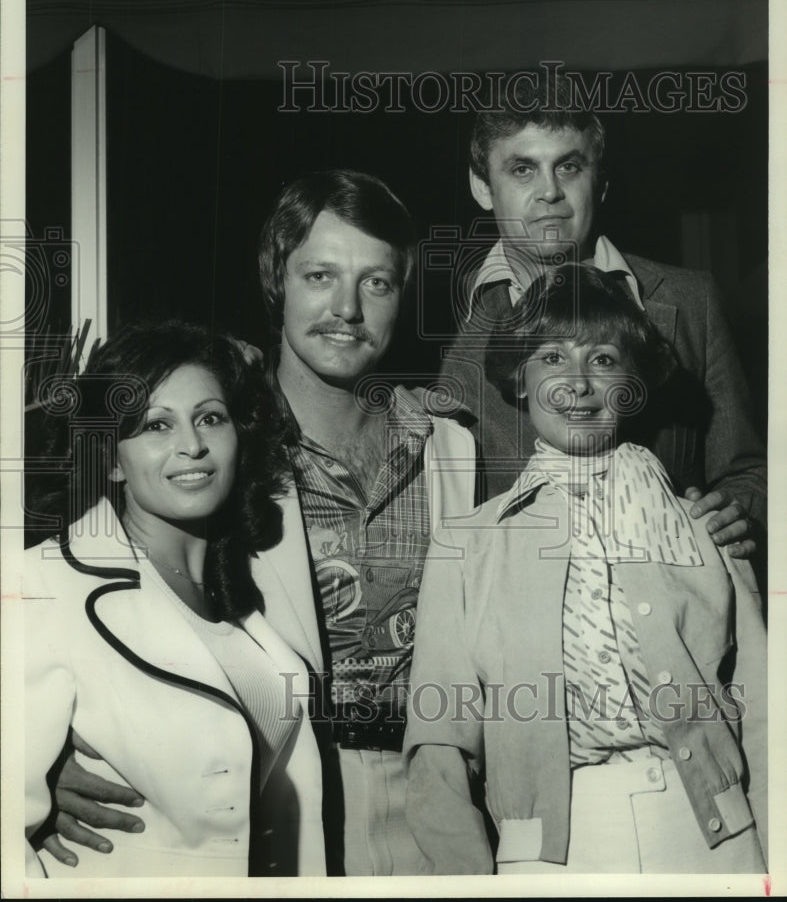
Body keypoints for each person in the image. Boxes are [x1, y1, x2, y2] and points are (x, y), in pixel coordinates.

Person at [40, 170, 476, 876]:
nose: (346, 309)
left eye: (376, 283)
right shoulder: (216, 443)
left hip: (436, 802)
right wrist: (39, 756)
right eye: (319, 275)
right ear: (277, 278)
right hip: (274, 794)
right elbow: (76, 587)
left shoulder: (451, 445)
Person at [404, 264, 767, 875]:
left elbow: (764, 713)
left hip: (718, 841)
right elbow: (438, 748)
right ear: (519, 380)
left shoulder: (705, 526)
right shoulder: (466, 546)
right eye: (551, 358)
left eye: (601, 360)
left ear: (631, 382)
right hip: (552, 857)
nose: (576, 384)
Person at [24, 321, 326, 878]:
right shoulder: (38, 585)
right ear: (112, 460)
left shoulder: (251, 589)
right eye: (155, 426)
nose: (192, 445)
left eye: (210, 417)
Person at [441, 71, 766, 565]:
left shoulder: (691, 302)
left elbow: (749, 468)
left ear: (603, 180)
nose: (549, 192)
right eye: (523, 170)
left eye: (569, 167)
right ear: (482, 187)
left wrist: (740, 512)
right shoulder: (444, 332)